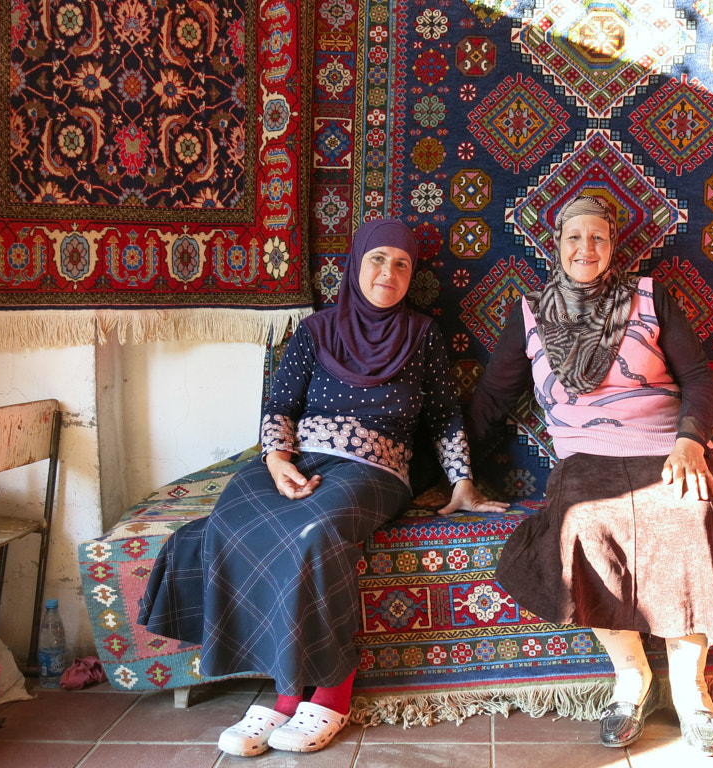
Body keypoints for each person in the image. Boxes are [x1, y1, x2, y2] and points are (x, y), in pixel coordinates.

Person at [138, 219, 507, 757]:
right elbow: (281, 406)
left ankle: (330, 690)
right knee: (231, 522)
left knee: (315, 531)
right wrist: (277, 461)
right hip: (298, 459)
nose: (389, 271)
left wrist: (463, 481)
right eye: (378, 259)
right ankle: (286, 689)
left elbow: (445, 416)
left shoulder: (422, 336)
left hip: (375, 469)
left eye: (402, 264)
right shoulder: (316, 330)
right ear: (356, 264)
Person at [468, 194, 713, 755]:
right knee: (581, 522)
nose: (585, 248)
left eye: (598, 238)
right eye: (574, 237)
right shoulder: (531, 314)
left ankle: (690, 690)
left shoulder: (649, 297)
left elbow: (700, 379)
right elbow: (492, 397)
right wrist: (452, 470)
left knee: (689, 512)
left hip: (667, 447)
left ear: (612, 248)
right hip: (586, 457)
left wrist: (690, 442)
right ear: (555, 245)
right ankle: (633, 679)